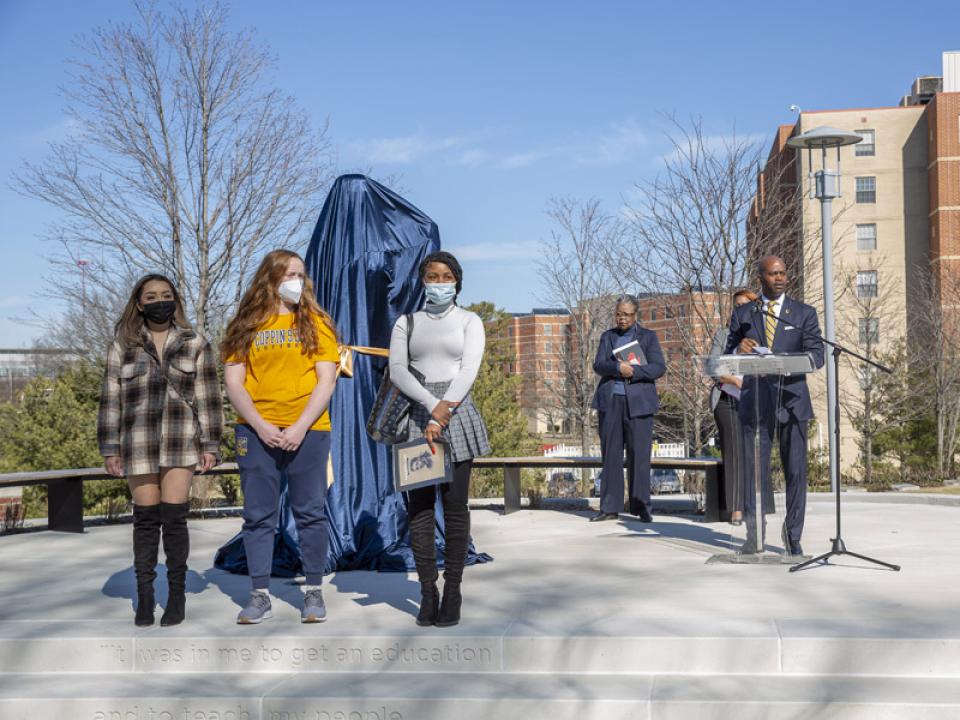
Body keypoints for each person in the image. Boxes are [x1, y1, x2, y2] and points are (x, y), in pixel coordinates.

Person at [222, 249, 339, 624]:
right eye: (290, 274)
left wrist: (301, 425)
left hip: (309, 431)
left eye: (301, 275)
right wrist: (261, 425)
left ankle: (314, 593)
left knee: (311, 513)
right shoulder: (244, 325)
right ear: (270, 278)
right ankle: (259, 596)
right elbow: (234, 382)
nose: (297, 281)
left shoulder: (316, 323)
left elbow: (326, 380)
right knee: (258, 517)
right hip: (257, 433)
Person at [98, 274, 223, 627]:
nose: (159, 301)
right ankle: (145, 596)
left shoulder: (195, 341)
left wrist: (211, 442)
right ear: (139, 303)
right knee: (145, 521)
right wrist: (110, 448)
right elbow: (110, 400)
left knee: (174, 519)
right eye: (151, 296)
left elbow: (208, 397)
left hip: (180, 440)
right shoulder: (122, 345)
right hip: (137, 443)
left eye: (166, 295)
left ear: (175, 301)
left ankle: (177, 596)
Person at [388, 251, 490, 627]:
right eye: (432, 275)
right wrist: (432, 407)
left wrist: (445, 409)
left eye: (446, 276)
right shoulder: (407, 322)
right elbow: (397, 369)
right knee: (419, 511)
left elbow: (470, 368)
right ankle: (427, 592)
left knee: (456, 507)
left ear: (457, 282)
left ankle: (453, 590)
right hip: (419, 414)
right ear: (423, 280)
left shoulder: (469, 320)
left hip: (457, 412)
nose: (439, 281)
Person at [725, 255, 824, 556]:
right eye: (773, 274)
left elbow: (817, 355)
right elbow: (727, 351)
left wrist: (784, 362)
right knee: (754, 473)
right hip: (756, 401)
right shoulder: (744, 314)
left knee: (795, 472)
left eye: (783, 273)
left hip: (792, 401)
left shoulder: (803, 313)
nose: (780, 278)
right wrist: (737, 348)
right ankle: (754, 537)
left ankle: (793, 538)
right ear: (761, 277)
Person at [590, 295, 666, 523]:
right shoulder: (608, 337)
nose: (621, 318)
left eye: (626, 314)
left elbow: (658, 368)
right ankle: (609, 507)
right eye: (618, 314)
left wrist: (633, 371)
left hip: (640, 405)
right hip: (611, 402)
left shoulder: (648, 337)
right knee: (611, 456)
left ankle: (641, 506)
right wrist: (616, 367)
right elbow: (598, 365)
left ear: (636, 315)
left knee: (639, 457)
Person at [708, 289, 759, 525]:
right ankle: (736, 508)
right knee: (734, 452)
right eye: (737, 305)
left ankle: (751, 503)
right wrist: (736, 380)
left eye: (746, 305)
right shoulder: (724, 335)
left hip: (755, 402)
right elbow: (712, 367)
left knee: (749, 453)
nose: (740, 309)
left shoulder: (763, 335)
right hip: (728, 400)